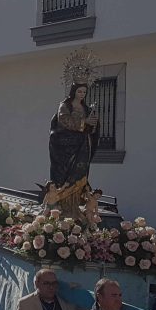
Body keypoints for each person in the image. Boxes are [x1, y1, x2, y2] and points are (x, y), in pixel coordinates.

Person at [48, 82, 100, 217]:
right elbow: (64, 121)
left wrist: (93, 123)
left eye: (84, 92)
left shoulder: (86, 108)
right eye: (79, 92)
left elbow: (91, 128)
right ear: (73, 92)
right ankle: (62, 203)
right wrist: (84, 122)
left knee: (80, 172)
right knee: (66, 174)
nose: (82, 94)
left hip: (82, 146)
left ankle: (76, 201)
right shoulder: (65, 106)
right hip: (66, 146)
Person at [11, 269, 78, 310]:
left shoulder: (67, 303)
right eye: (46, 283)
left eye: (54, 283)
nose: (51, 287)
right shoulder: (25, 304)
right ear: (37, 284)